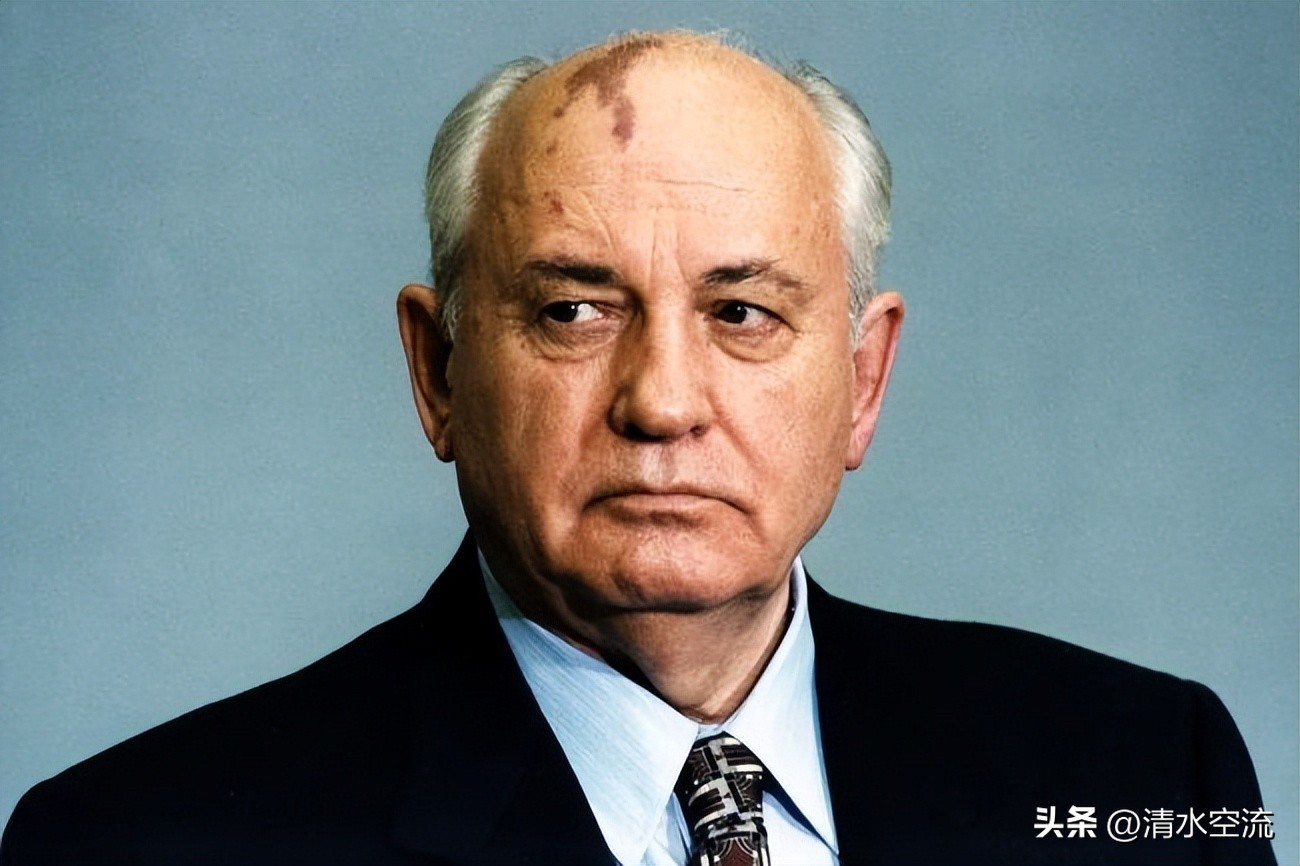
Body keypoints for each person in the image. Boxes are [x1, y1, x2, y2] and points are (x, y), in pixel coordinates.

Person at [0, 30, 1275, 866]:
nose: (662, 402)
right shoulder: (132, 840)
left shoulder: (1149, 774)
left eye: (742, 312)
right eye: (573, 311)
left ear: (862, 379)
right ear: (437, 372)